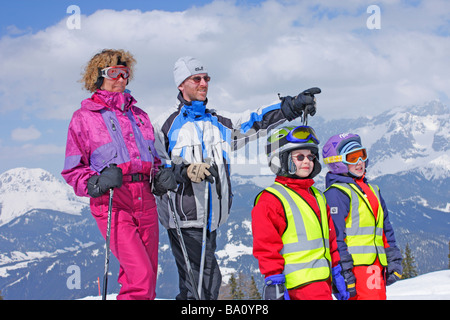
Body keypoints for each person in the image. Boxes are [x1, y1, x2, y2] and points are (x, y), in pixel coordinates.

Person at [153, 56, 321, 300]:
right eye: (196, 78)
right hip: (185, 219)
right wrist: (184, 172)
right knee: (203, 285)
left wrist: (291, 106)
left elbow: (255, 121)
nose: (203, 83)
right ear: (181, 84)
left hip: (212, 218)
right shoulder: (164, 125)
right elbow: (155, 175)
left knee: (200, 287)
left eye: (206, 78)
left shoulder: (217, 122)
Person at [61, 49, 161, 300]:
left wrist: (160, 175)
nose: (121, 79)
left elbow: (154, 158)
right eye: (114, 73)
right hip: (113, 202)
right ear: (99, 76)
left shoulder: (140, 116)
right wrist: (97, 182)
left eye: (125, 73)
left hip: (146, 200)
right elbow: (73, 170)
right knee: (142, 277)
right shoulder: (84, 118)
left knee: (143, 275)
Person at [252, 125, 348, 300]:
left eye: (310, 156)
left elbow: (330, 239)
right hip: (296, 289)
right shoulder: (271, 200)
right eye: (300, 157)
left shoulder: (318, 196)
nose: (307, 161)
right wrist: (274, 282)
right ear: (279, 159)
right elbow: (266, 246)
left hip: (323, 285)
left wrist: (336, 270)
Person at [322, 133, 403, 300]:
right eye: (352, 157)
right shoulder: (337, 194)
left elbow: (385, 227)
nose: (360, 162)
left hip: (376, 267)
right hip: (356, 269)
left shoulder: (373, 190)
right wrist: (343, 270)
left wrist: (392, 256)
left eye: (362, 155)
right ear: (338, 162)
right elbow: (335, 237)